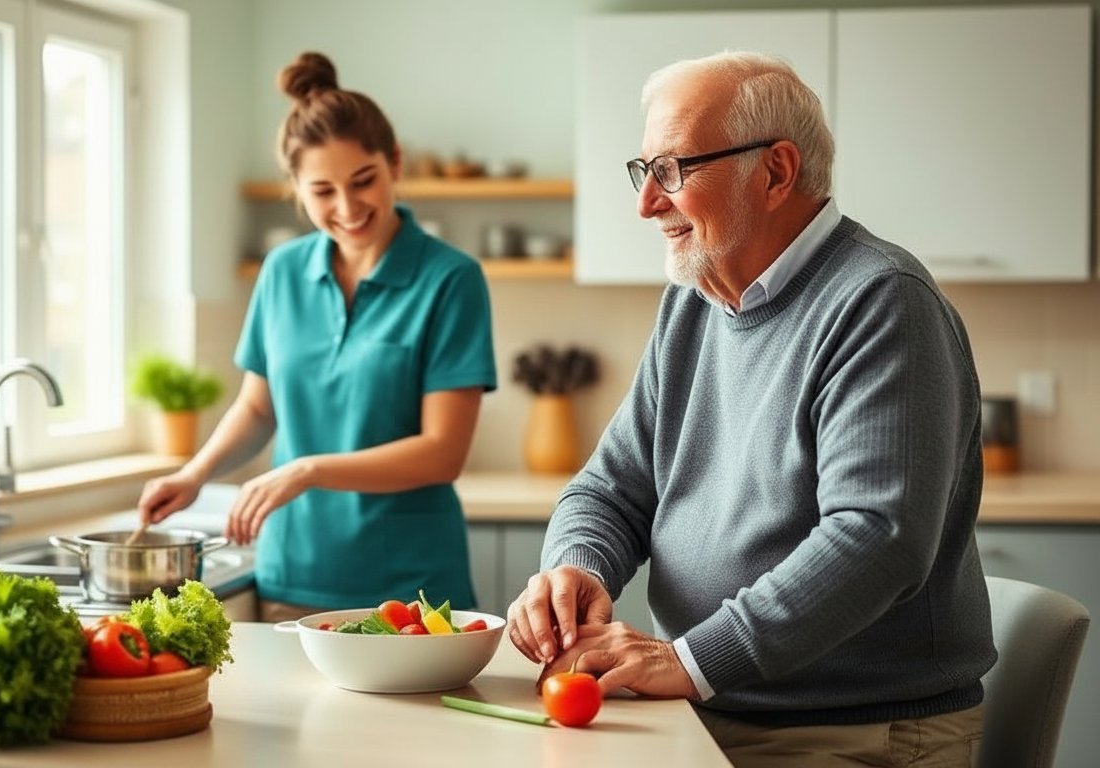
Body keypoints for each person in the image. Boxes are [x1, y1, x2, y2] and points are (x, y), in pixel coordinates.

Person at [507, 51, 996, 767]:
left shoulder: (882, 300)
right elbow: (611, 488)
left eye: (673, 170)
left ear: (775, 171)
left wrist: (694, 660)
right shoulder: (696, 300)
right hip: (710, 708)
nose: (647, 203)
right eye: (645, 172)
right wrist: (578, 568)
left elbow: (876, 538)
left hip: (848, 729)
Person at [138, 51, 496, 622]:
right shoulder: (281, 272)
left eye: (363, 181)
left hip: (413, 588)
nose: (348, 208)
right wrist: (194, 474)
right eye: (323, 191)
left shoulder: (450, 279)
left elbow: (441, 452)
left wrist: (307, 469)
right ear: (297, 189)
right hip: (293, 573)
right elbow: (258, 407)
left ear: (394, 163)